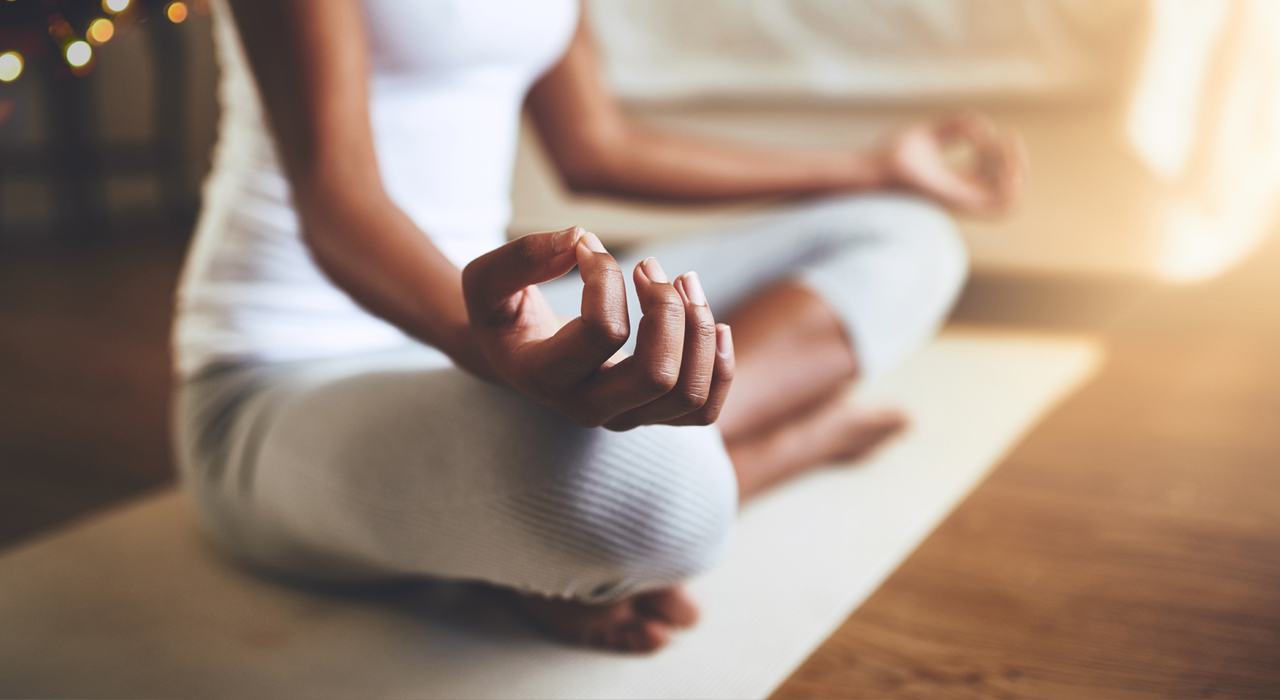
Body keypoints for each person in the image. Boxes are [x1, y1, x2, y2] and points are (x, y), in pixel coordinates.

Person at [174, 0, 1024, 653]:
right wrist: (485, 346)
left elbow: (598, 144)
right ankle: (769, 445)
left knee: (902, 231)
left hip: (499, 332)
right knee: (667, 503)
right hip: (282, 377)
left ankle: (612, 486)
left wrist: (869, 167)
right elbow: (339, 200)